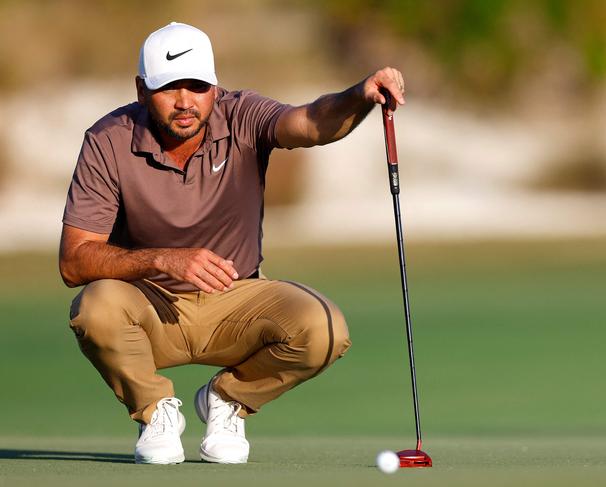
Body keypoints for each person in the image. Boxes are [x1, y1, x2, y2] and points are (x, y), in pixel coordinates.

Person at [59, 21, 405, 465]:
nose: (185, 102)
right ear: (142, 90)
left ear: (215, 88)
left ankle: (226, 400)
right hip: (148, 306)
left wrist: (359, 94)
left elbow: (312, 122)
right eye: (169, 88)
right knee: (94, 307)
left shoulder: (242, 115)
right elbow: (74, 260)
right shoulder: (108, 141)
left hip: (235, 298)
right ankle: (154, 411)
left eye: (198, 86)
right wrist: (165, 259)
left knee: (325, 329)